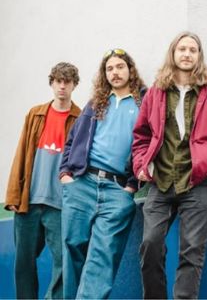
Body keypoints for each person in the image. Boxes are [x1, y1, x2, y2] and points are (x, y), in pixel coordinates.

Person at [133, 31, 207, 299]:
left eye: (192, 50)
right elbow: (141, 135)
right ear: (173, 53)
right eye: (182, 49)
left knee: (192, 251)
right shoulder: (156, 92)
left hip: (197, 182)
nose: (187, 54)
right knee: (150, 244)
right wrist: (141, 164)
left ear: (199, 56)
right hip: (161, 181)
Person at [59, 49, 146, 299]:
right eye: (109, 68)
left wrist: (132, 186)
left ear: (130, 70)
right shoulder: (96, 103)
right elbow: (72, 140)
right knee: (72, 248)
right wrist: (65, 173)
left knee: (103, 256)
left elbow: (150, 143)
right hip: (82, 184)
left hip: (118, 189)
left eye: (120, 67)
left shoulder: (144, 103)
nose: (115, 72)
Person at [5, 62, 80, 299]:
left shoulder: (81, 119)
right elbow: (21, 154)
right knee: (24, 262)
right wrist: (14, 195)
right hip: (28, 202)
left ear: (74, 85)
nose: (62, 86)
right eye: (58, 81)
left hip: (60, 205)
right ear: (52, 83)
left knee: (64, 261)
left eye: (67, 81)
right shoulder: (35, 114)